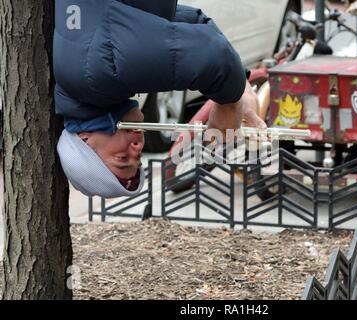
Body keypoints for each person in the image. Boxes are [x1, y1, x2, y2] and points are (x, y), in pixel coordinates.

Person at [54, 0, 265, 198]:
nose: (137, 148)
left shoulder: (96, 79)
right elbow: (191, 23)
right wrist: (242, 89)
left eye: (122, 159)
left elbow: (212, 53)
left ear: (85, 140)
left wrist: (230, 106)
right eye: (138, 159)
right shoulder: (83, 78)